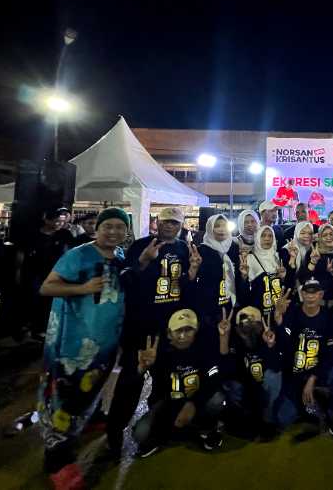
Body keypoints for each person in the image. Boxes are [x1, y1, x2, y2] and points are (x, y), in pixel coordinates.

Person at [37, 208, 129, 483]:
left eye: (120, 227)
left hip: (105, 344)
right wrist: (82, 288)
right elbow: (47, 287)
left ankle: (89, 419)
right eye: (108, 226)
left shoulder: (120, 256)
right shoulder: (79, 255)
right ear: (97, 228)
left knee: (91, 388)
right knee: (64, 397)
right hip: (72, 345)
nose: (113, 232)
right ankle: (57, 458)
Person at [107, 206, 201, 454]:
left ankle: (155, 433)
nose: (170, 226)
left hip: (169, 330)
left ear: (181, 226)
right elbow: (124, 281)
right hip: (140, 329)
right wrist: (144, 260)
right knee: (130, 383)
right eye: (166, 221)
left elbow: (186, 292)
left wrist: (192, 273)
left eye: (175, 223)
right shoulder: (141, 246)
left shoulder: (185, 249)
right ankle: (114, 436)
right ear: (157, 222)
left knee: (163, 385)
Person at [132, 309, 226, 457]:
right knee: (140, 434)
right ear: (169, 333)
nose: (183, 335)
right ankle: (164, 435)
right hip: (169, 402)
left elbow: (213, 381)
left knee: (217, 399)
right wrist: (142, 369)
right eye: (178, 330)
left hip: (196, 400)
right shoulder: (161, 354)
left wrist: (193, 404)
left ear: (196, 330)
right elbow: (146, 389)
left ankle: (207, 430)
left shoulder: (204, 349)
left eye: (188, 330)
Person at [275, 278, 333, 434]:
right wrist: (279, 320)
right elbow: (283, 346)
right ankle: (312, 403)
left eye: (314, 293)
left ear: (321, 295)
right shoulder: (292, 313)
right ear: (302, 294)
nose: (310, 297)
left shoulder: (330, 317)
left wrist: (313, 377)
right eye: (307, 293)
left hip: (319, 372)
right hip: (296, 373)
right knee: (284, 418)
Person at [218, 305, 282, 438]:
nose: (248, 328)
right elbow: (226, 370)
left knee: (273, 378)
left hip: (264, 389)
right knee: (233, 385)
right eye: (244, 325)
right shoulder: (235, 342)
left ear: (260, 326)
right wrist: (224, 337)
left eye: (253, 324)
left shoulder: (267, 338)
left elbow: (276, 368)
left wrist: (270, 346)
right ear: (237, 328)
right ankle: (243, 421)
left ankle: (268, 420)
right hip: (245, 389)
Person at [21, 207, 74, 338]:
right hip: (35, 272)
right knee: (34, 299)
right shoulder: (34, 234)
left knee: (50, 301)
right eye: (57, 221)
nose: (60, 224)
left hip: (57, 273)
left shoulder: (65, 234)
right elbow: (22, 254)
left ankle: (45, 328)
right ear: (46, 219)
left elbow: (70, 253)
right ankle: (31, 327)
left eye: (62, 222)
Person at [192, 214, 240, 331]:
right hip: (209, 308)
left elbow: (237, 276)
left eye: (225, 226)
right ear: (210, 228)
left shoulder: (233, 248)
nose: (222, 229)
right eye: (217, 226)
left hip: (230, 306)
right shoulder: (201, 251)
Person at [241, 225, 289, 321]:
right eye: (263, 235)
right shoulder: (249, 258)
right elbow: (244, 290)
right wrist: (244, 276)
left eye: (270, 236)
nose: (267, 239)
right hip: (259, 311)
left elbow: (283, 285)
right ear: (258, 238)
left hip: (278, 309)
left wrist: (283, 278)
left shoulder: (277, 256)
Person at [298, 224, 333, 307]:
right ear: (319, 237)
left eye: (331, 234)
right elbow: (303, 278)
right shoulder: (313, 253)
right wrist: (313, 262)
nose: (329, 237)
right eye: (325, 235)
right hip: (317, 304)